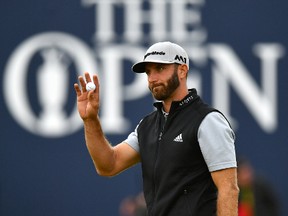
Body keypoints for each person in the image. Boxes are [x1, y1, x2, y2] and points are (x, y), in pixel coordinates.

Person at [74, 41, 239, 216]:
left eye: (160, 69)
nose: (152, 78)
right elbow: (108, 165)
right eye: (148, 72)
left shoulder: (207, 121)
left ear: (182, 71)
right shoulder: (147, 126)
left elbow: (228, 188)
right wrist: (90, 120)